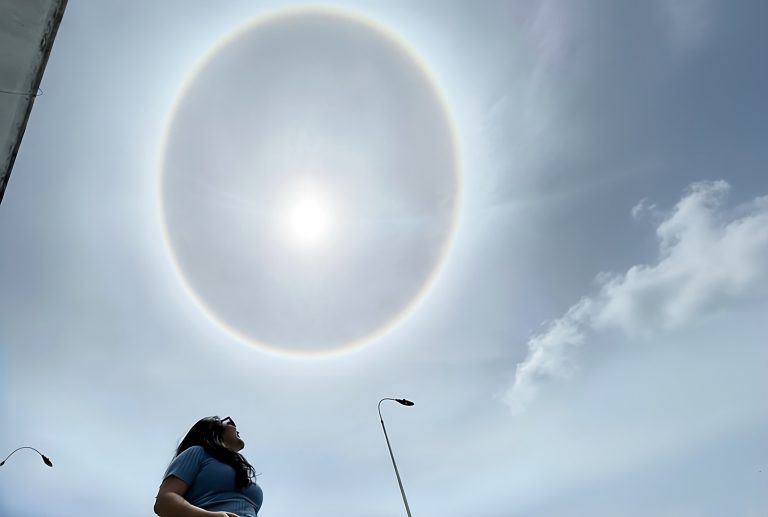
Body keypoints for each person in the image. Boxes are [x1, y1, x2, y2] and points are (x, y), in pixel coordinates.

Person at [154, 416, 263, 517]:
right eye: (229, 422)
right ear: (212, 430)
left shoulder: (239, 472)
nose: (235, 427)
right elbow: (164, 501)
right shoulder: (197, 452)